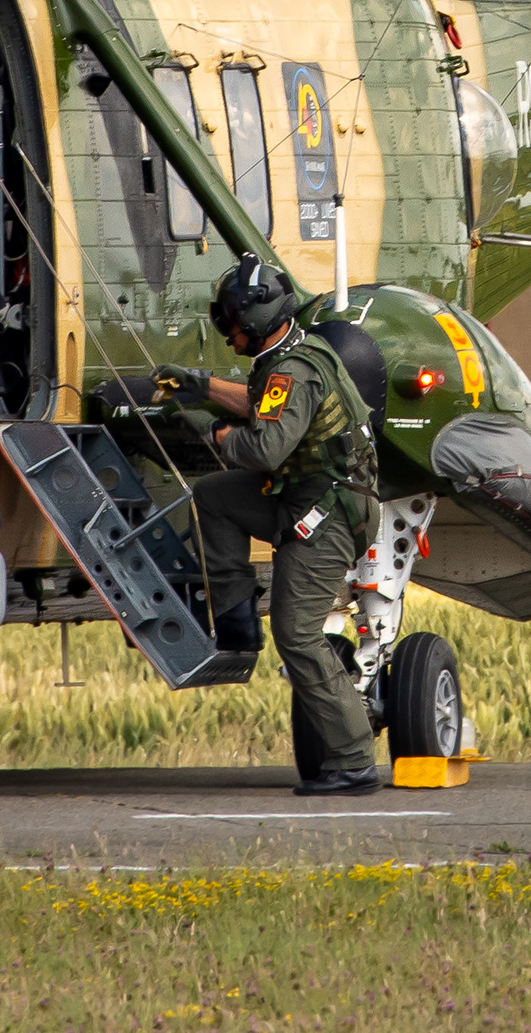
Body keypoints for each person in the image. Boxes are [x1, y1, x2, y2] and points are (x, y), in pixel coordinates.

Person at [156, 256, 383, 796]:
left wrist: (212, 436)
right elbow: (263, 405)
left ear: (255, 322)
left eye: (231, 323)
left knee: (299, 635)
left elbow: (263, 446)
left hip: (328, 512)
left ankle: (355, 763)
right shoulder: (291, 355)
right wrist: (201, 385)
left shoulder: (291, 371)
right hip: (302, 495)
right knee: (213, 497)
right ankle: (236, 619)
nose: (227, 333)